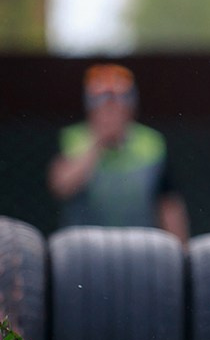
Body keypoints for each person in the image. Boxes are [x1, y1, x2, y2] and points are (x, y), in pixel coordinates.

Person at [48, 64, 188, 240]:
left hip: (140, 245)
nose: (110, 112)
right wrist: (97, 144)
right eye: (103, 105)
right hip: (84, 248)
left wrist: (181, 251)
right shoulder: (72, 139)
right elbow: (61, 186)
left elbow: (169, 204)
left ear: (130, 108)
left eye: (117, 104)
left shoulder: (151, 144)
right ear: (90, 109)